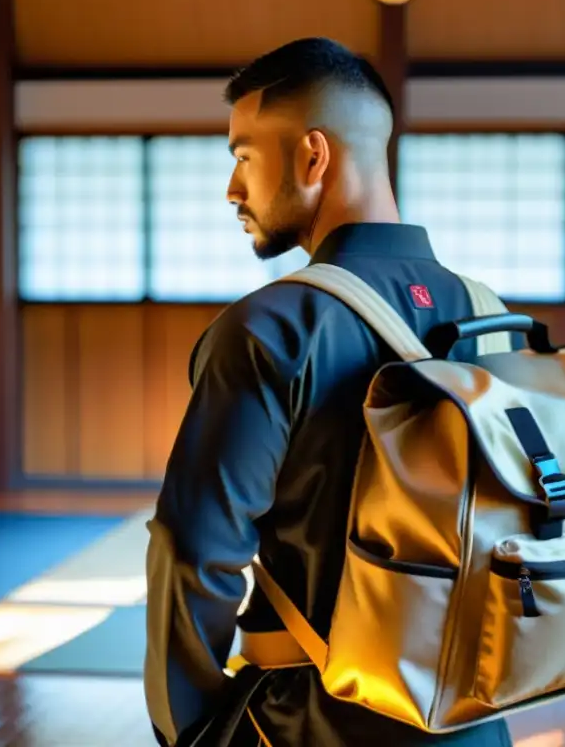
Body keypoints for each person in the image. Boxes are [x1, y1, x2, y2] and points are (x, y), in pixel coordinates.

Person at [143, 37, 515, 747]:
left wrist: (186, 729)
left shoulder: (269, 328)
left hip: (314, 720)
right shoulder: (490, 314)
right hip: (476, 718)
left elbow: (195, 549)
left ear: (313, 156)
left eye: (243, 157)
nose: (232, 190)